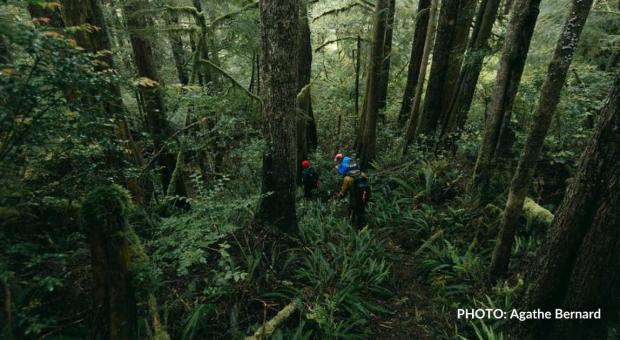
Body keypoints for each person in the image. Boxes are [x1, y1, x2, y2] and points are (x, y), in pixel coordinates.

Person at [338, 160, 370, 228]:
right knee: (361, 211)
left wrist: (340, 196)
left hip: (354, 198)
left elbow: (343, 190)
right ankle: (361, 226)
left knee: (351, 210)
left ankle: (350, 225)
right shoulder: (362, 174)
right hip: (363, 197)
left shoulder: (347, 178)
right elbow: (367, 183)